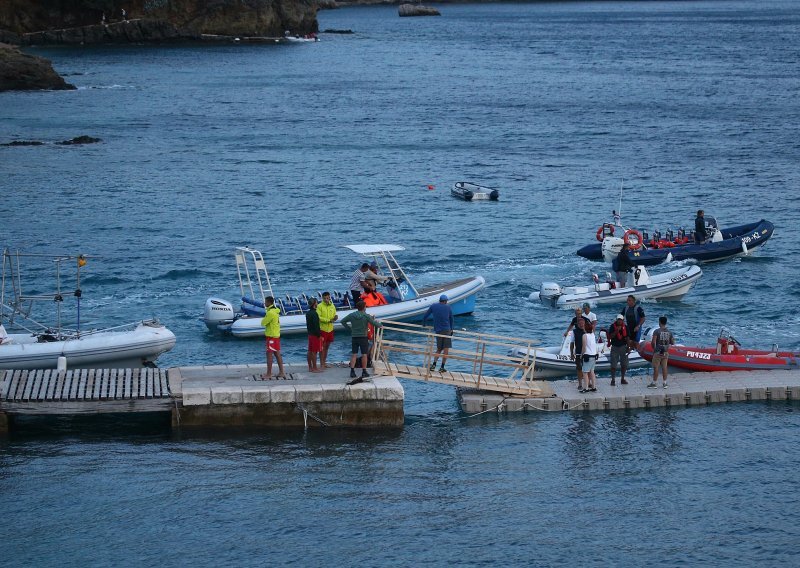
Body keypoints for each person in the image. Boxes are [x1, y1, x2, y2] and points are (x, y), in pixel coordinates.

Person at [340, 300, 381, 384]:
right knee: (364, 355)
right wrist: (380, 325)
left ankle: (352, 371)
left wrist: (350, 329)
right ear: (364, 307)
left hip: (354, 337)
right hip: (363, 337)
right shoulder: (366, 316)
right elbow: (373, 323)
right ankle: (364, 371)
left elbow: (342, 321)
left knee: (354, 354)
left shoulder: (352, 315)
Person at [422, 294, 454, 372]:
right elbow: (451, 319)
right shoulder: (448, 307)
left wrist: (424, 324)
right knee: (446, 350)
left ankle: (434, 365)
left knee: (439, 349)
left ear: (440, 300)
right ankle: (442, 367)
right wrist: (452, 329)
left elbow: (425, 316)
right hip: (446, 330)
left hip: (438, 330)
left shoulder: (433, 306)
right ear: (446, 301)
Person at [260, 296, 285, 379]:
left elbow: (263, 323)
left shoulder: (270, 313)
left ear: (269, 303)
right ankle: (281, 372)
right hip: (276, 335)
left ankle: (269, 373)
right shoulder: (275, 311)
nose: (265, 303)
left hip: (271, 336)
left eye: (266, 302)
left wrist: (265, 319)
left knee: (269, 354)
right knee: (277, 354)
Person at [648, 316, 675, 388]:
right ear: (666, 323)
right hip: (665, 352)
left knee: (656, 367)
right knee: (664, 367)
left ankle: (654, 383)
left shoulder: (657, 331)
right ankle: (665, 383)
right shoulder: (669, 332)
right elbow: (672, 342)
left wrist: (654, 349)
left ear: (659, 322)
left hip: (658, 352)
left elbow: (653, 342)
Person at [607, 315, 629, 386]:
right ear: (616, 320)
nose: (619, 321)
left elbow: (628, 337)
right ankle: (613, 380)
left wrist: (628, 347)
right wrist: (616, 331)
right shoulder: (612, 326)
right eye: (618, 320)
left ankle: (622, 378)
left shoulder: (625, 327)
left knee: (624, 364)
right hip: (615, 347)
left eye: (621, 320)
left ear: (623, 320)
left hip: (623, 347)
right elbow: (610, 336)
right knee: (613, 364)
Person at [317, 291, 337, 368]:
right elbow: (318, 317)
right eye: (325, 298)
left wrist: (335, 317)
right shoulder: (320, 306)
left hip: (330, 329)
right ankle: (321, 363)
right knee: (322, 347)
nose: (326, 299)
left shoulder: (332, 305)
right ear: (322, 298)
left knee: (327, 347)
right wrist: (328, 320)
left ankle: (324, 362)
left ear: (329, 298)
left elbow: (334, 314)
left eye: (327, 298)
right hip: (323, 329)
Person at [305, 297, 323, 373]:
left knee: (310, 351)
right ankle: (315, 368)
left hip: (310, 334)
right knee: (314, 351)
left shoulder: (308, 313)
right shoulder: (314, 313)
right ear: (314, 304)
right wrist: (320, 336)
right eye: (316, 302)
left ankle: (310, 367)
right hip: (315, 335)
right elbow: (316, 326)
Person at [570, 316, 587, 391]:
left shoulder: (587, 331)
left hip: (587, 353)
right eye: (580, 323)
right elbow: (572, 343)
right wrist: (571, 353)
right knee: (579, 369)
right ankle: (580, 384)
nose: (581, 325)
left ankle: (588, 383)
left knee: (588, 369)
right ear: (578, 324)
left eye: (583, 323)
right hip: (578, 353)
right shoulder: (574, 332)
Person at [581, 320, 598, 393]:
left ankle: (586, 388)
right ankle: (594, 387)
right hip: (594, 355)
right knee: (592, 372)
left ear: (585, 328)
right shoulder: (593, 335)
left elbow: (584, 347)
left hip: (587, 356)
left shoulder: (585, 335)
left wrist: (581, 355)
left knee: (585, 372)